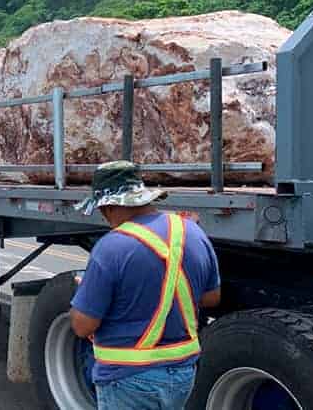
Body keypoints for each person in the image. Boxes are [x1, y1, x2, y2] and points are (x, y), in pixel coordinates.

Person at [70, 161, 221, 410]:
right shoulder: (192, 232)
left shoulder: (111, 247)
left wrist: (85, 291)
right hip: (182, 375)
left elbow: (82, 325)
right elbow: (211, 297)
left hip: (127, 379)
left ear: (108, 207)